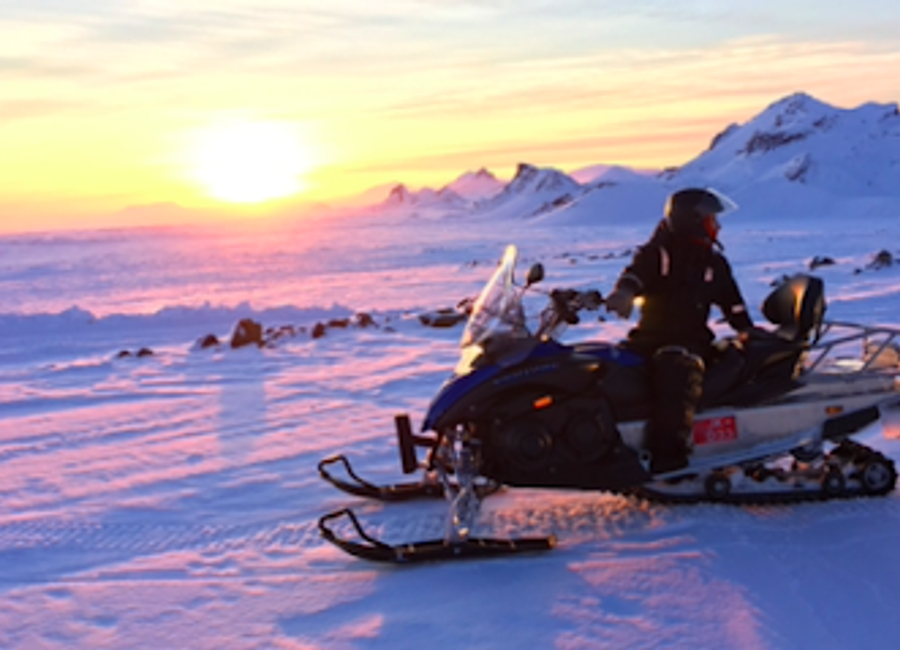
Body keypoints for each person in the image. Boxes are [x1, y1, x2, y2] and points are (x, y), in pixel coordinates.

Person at [605, 187, 754, 473]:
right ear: (694, 220)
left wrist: (748, 331)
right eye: (712, 219)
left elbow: (733, 304)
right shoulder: (659, 253)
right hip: (648, 339)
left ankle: (668, 457)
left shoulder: (714, 263)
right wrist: (624, 293)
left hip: (690, 344)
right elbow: (637, 274)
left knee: (675, 368)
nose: (718, 226)